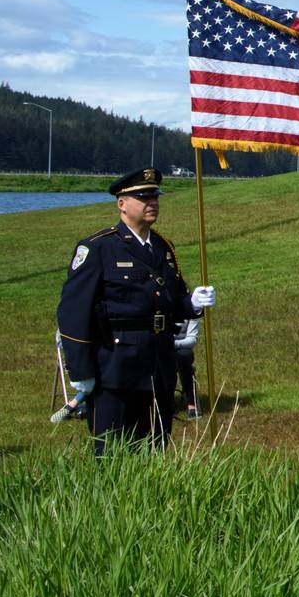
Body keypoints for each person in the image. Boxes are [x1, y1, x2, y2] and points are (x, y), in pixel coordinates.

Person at [56, 167, 216, 455]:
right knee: (112, 454)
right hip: (114, 369)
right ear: (122, 204)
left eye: (155, 196)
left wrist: (192, 303)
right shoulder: (98, 248)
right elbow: (73, 312)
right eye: (143, 197)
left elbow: (172, 299)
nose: (152, 202)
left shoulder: (163, 248)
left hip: (158, 366)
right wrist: (81, 371)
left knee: (154, 450)